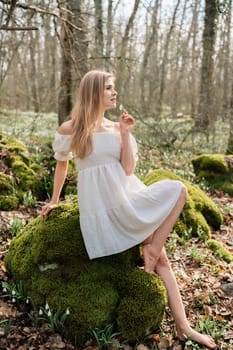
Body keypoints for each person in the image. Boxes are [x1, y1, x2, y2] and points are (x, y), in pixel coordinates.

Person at [40, 70, 217, 349]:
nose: (115, 92)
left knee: (178, 194)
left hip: (129, 195)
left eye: (114, 88)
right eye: (109, 88)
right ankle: (154, 254)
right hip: (106, 209)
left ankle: (184, 327)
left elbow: (128, 169)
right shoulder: (71, 128)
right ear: (94, 93)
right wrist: (54, 199)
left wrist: (124, 133)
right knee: (160, 258)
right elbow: (62, 163)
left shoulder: (115, 127)